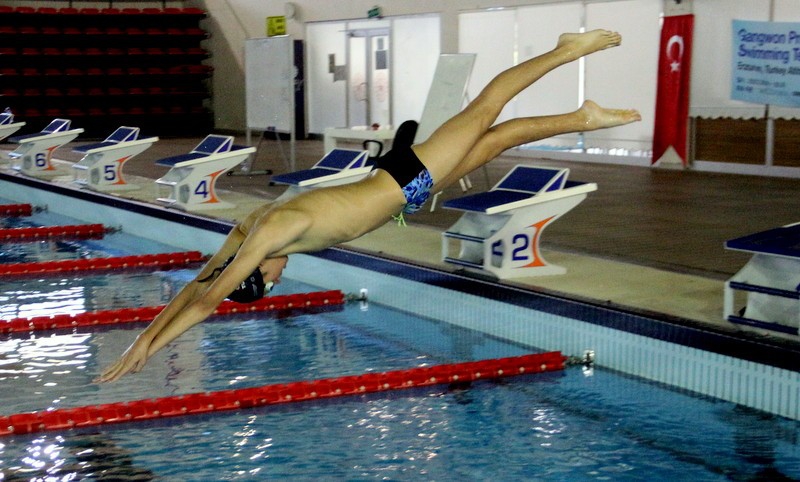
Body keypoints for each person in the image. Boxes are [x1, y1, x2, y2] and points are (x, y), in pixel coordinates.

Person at [97, 29, 641, 383]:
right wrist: (147, 334)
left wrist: (148, 344)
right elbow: (200, 284)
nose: (280, 279)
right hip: (405, 186)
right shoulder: (247, 232)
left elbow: (206, 298)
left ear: (256, 272)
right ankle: (582, 117)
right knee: (499, 137)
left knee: (486, 111)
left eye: (270, 282)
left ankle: (565, 49)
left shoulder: (268, 236)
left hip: (406, 178)